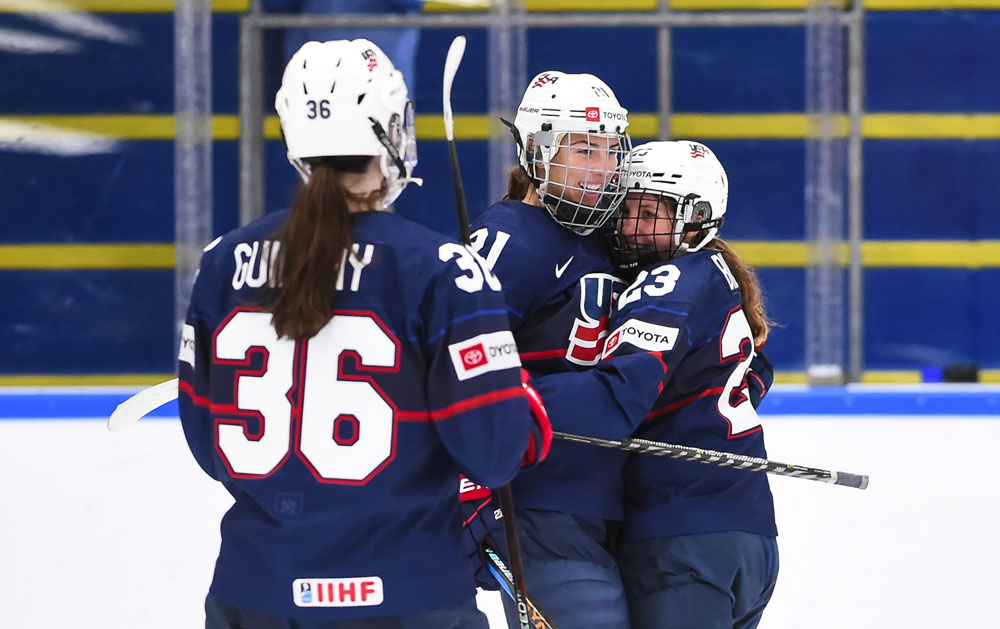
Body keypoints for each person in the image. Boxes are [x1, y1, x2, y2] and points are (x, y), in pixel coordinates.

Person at [176, 39, 550, 629]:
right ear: (394, 130)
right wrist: (519, 392)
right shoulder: (441, 269)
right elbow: (497, 453)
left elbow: (207, 445)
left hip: (256, 593)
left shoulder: (222, 262)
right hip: (408, 595)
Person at [532, 140, 779, 629]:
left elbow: (615, 397)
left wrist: (506, 395)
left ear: (697, 219)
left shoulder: (669, 280)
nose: (631, 227)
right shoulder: (718, 277)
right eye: (626, 210)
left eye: (651, 213)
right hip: (749, 537)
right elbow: (755, 374)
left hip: (680, 541)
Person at [464, 70, 634, 629]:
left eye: (610, 151)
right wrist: (469, 486)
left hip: (612, 503)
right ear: (536, 152)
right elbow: (448, 366)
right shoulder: (510, 237)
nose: (601, 168)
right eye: (583, 150)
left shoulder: (610, 242)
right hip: (536, 504)